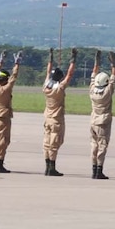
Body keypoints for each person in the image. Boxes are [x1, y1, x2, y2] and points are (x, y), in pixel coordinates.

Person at [43, 46, 77, 176]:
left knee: (46, 143)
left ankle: (47, 166)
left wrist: (50, 58)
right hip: (56, 120)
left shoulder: (46, 86)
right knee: (54, 144)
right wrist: (73, 60)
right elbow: (69, 75)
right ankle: (52, 167)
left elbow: (47, 73)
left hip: (47, 118)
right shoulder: (59, 89)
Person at [0, 49, 22, 173]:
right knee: (3, 141)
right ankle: (0, 163)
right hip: (3, 118)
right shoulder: (6, 89)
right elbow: (14, 77)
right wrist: (17, 63)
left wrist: (0, 62)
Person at [89, 49, 115, 180]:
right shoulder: (107, 92)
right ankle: (99, 169)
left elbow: (93, 75)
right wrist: (113, 64)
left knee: (93, 145)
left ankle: (94, 169)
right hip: (103, 122)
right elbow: (113, 78)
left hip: (93, 120)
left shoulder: (92, 91)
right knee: (102, 146)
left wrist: (97, 62)